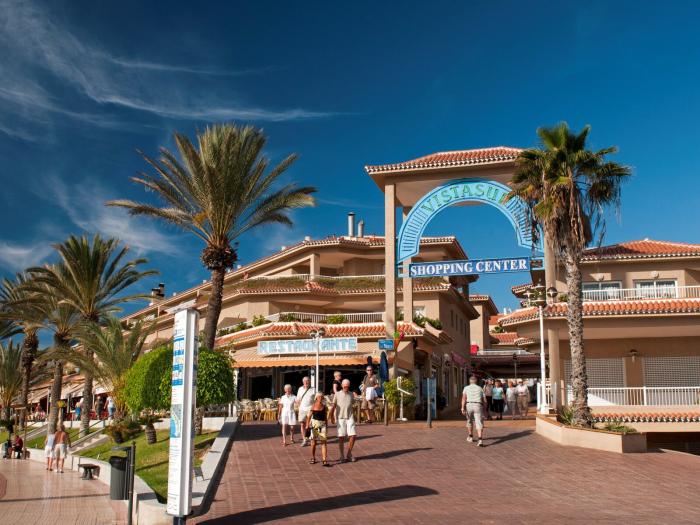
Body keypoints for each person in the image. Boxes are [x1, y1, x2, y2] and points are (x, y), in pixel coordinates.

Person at [330, 379, 358, 462]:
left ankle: (349, 454)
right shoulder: (337, 394)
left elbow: (352, 404)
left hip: (350, 417)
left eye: (347, 386)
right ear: (342, 386)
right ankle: (342, 455)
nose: (346, 387)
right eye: (345, 386)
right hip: (340, 417)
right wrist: (331, 416)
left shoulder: (351, 394)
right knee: (341, 437)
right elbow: (333, 406)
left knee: (353, 435)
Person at [305, 392, 330, 466]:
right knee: (313, 443)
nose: (320, 398)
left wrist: (327, 426)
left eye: (321, 397)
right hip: (314, 425)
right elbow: (309, 416)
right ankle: (313, 458)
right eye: (319, 397)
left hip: (322, 425)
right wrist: (307, 425)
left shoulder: (324, 406)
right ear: (316, 398)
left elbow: (325, 417)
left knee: (323, 443)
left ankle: (324, 460)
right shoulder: (313, 406)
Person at [461, 376, 486, 447]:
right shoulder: (480, 388)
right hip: (478, 405)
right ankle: (480, 440)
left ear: (470, 381)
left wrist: (462, 408)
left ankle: (470, 436)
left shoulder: (466, 388)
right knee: (479, 422)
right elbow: (484, 400)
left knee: (469, 421)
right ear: (476, 381)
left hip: (469, 405)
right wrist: (485, 409)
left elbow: (464, 398)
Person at [295, 376, 315, 447]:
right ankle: (304, 440)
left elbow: (317, 399)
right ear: (303, 382)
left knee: (310, 425)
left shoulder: (313, 389)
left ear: (310, 381)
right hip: (302, 409)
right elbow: (298, 399)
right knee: (302, 424)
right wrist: (298, 404)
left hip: (310, 409)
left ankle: (311, 438)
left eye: (307, 381)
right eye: (304, 381)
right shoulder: (300, 389)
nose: (306, 382)